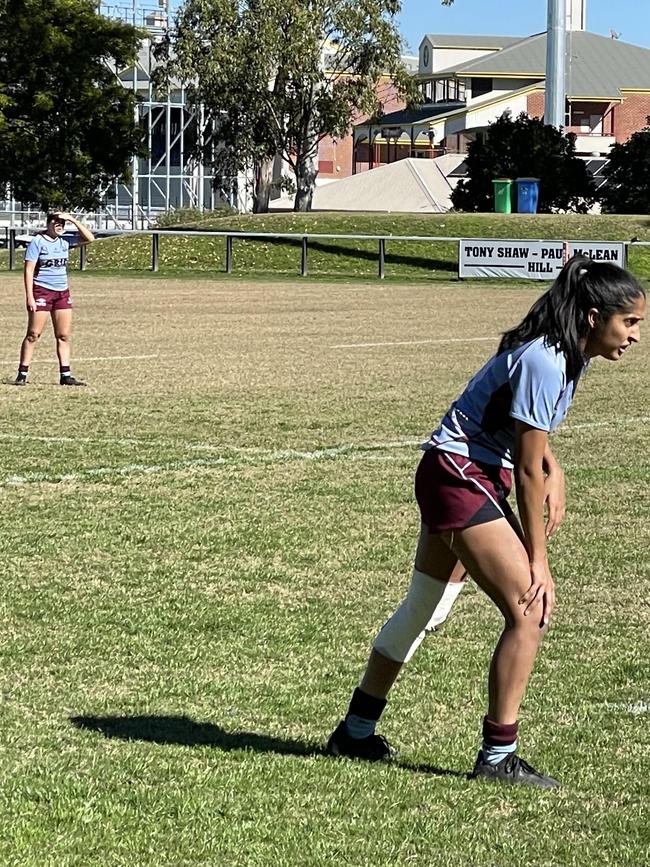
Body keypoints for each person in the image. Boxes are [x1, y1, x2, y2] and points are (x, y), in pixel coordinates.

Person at [326, 256, 646, 789]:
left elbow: (528, 437)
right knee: (532, 610)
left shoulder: (570, 353)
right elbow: (525, 467)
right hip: (459, 477)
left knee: (423, 611)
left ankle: (356, 731)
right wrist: (538, 561)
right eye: (630, 322)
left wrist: (555, 467)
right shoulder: (547, 358)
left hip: (458, 472)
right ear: (593, 316)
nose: (636, 335)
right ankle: (498, 758)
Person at [14, 211, 95, 386]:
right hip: (42, 291)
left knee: (63, 335)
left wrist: (73, 219)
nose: (60, 226)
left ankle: (65, 375)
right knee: (33, 334)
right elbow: (28, 270)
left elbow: (90, 238)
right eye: (57, 223)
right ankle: (22, 373)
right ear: (49, 223)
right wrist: (30, 297)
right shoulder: (38, 241)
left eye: (62, 224)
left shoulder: (65, 242)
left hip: (62, 292)